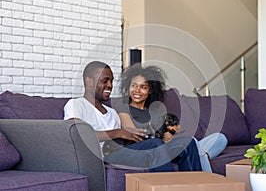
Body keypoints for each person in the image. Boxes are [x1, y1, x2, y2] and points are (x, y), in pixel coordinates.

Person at [63, 61, 202, 172]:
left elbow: (125, 140)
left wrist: (136, 135)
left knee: (187, 143)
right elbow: (76, 134)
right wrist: (119, 132)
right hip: (104, 155)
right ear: (89, 82)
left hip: (122, 150)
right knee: (155, 146)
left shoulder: (111, 112)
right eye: (105, 81)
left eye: (111, 81)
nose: (110, 85)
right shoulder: (76, 104)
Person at [116, 64, 228, 172]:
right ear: (128, 86)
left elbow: (169, 135)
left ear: (150, 90)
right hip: (138, 150)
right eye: (134, 85)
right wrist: (159, 136)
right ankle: (169, 187)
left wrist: (167, 135)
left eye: (143, 87)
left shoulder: (154, 112)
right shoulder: (124, 108)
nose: (137, 90)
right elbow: (132, 133)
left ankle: (195, 185)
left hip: (160, 148)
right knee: (157, 144)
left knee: (189, 142)